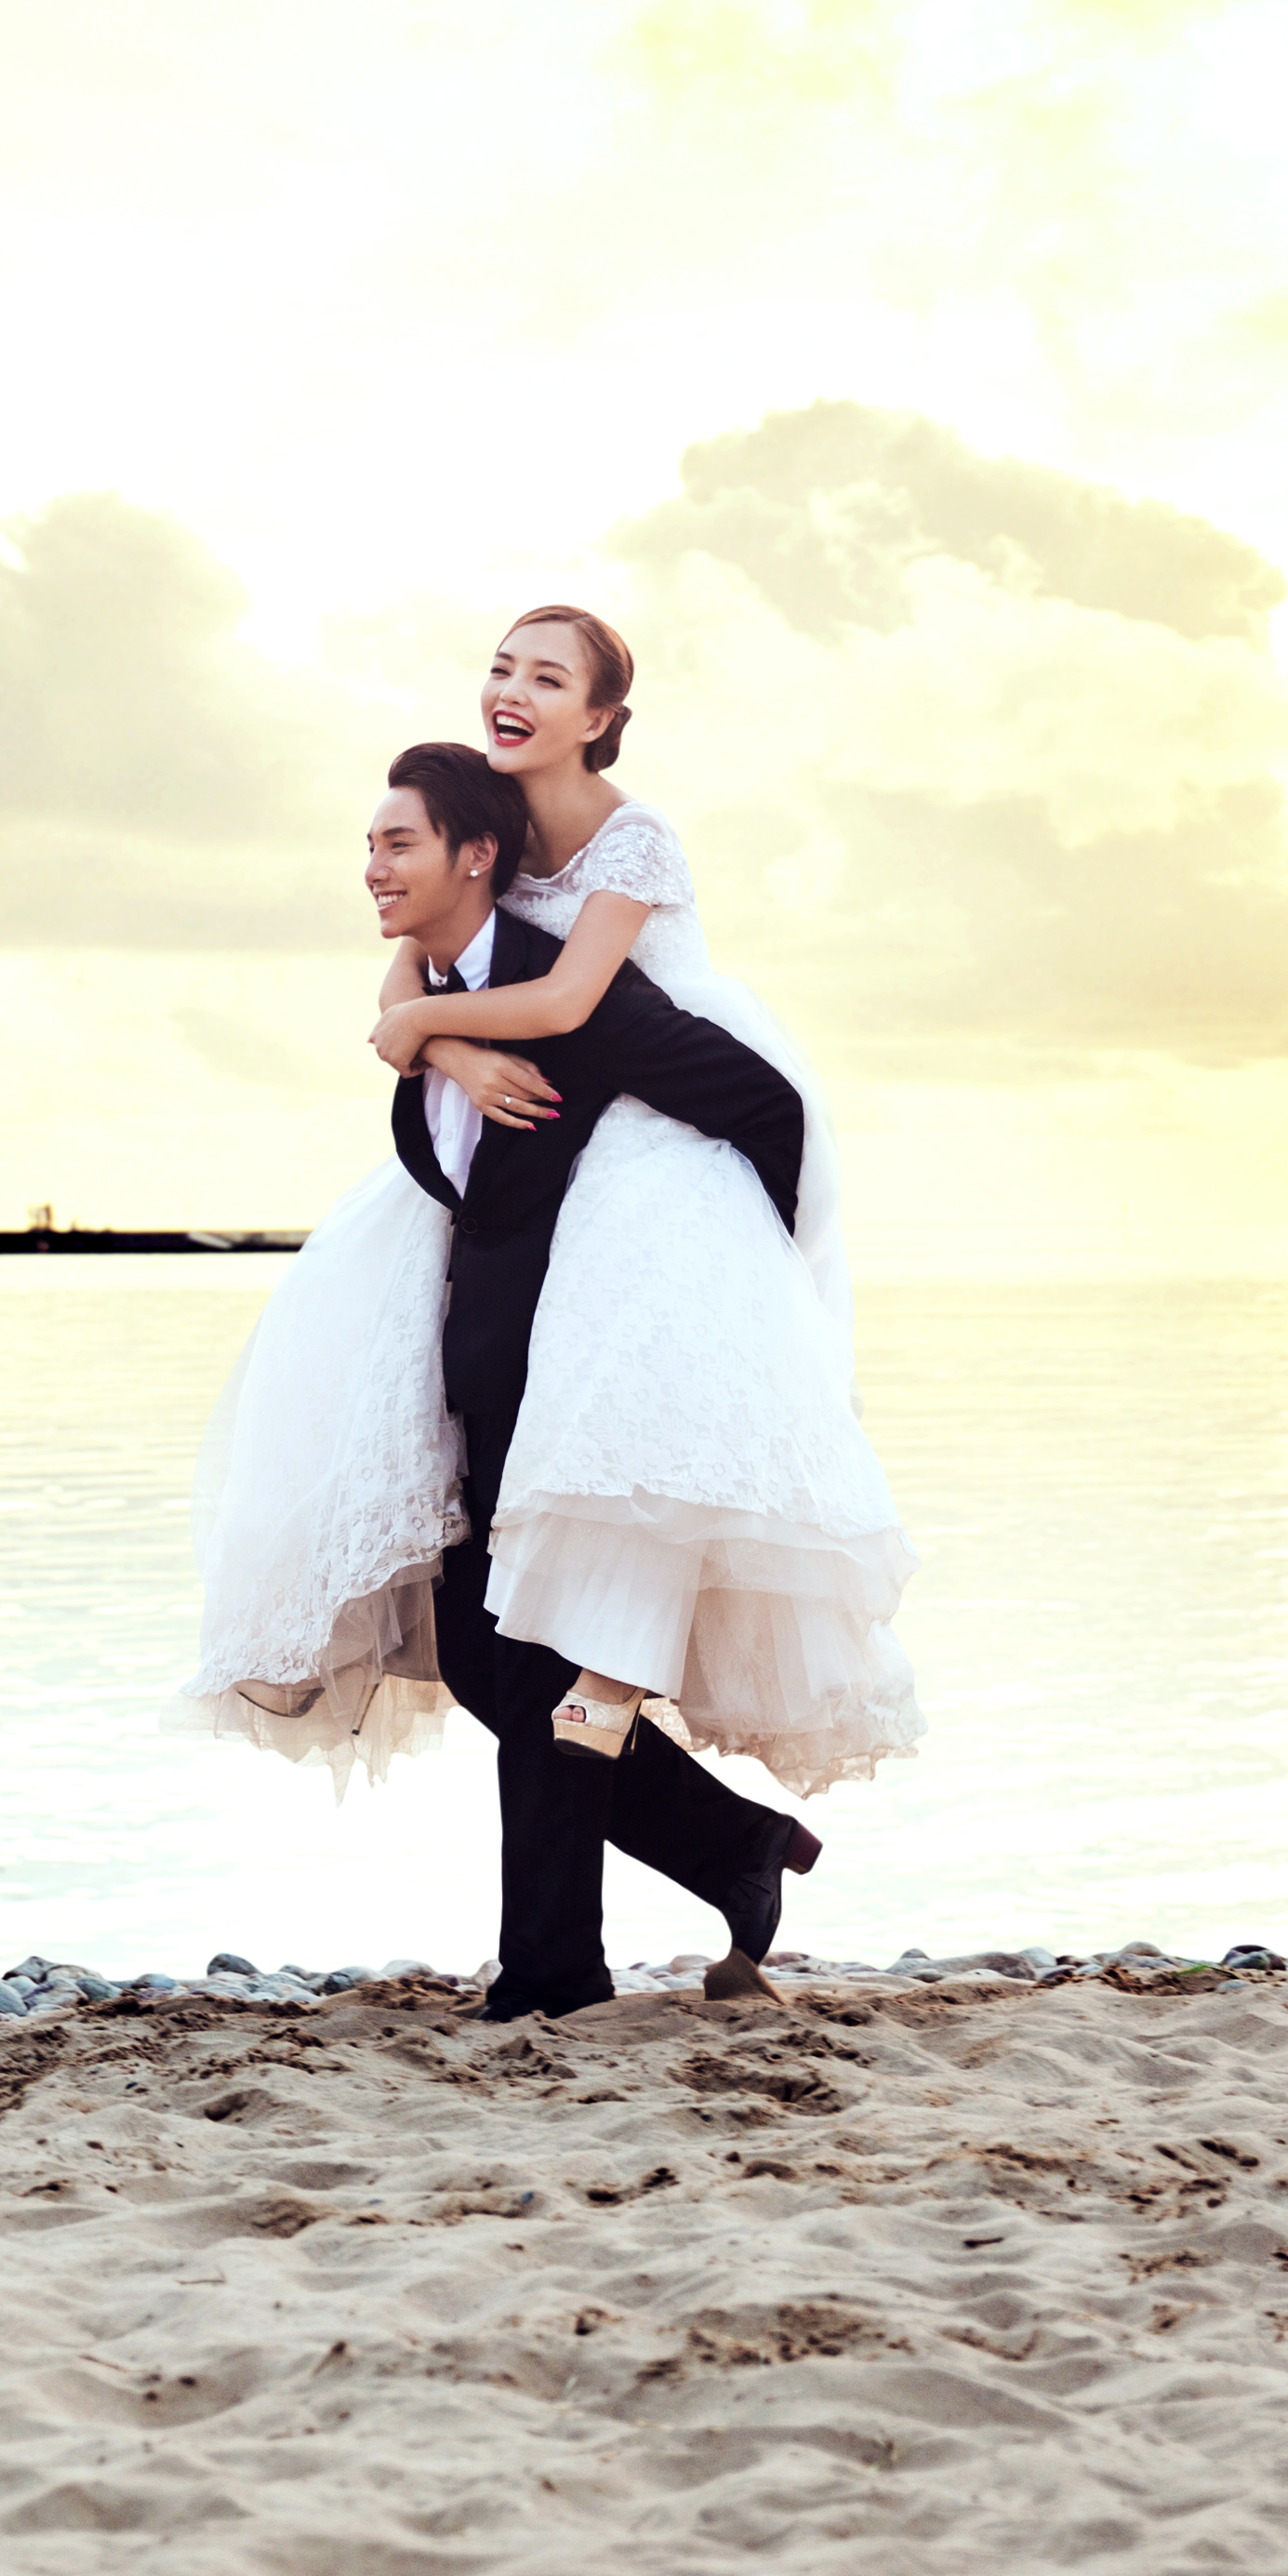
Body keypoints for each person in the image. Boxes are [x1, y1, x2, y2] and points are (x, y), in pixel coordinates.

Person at [184, 737, 843, 2019]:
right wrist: (437, 1046)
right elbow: (423, 1077)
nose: (371, 866)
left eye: (397, 843)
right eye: (369, 844)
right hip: (468, 1352)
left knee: (529, 1650)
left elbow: (766, 1106)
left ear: (474, 855)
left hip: (569, 1370)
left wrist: (714, 1295)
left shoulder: (571, 993)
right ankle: (724, 1851)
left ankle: (553, 1969)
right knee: (492, 1657)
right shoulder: (441, 989)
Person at [369, 605, 926, 1805]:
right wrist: (449, 1050)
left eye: (548, 678)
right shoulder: (495, 836)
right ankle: (599, 1674)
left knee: (640, 1350)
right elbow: (416, 964)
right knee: (585, 1356)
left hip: (695, 1109)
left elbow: (570, 999)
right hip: (590, 1117)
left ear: (600, 719)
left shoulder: (635, 838)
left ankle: (617, 1664)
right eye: (501, 668)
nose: (511, 691)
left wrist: (419, 1030)